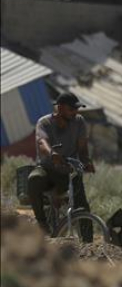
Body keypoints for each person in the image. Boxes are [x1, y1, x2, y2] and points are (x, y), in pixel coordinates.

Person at [28, 92, 95, 236]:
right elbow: (42, 142)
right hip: (48, 170)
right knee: (34, 180)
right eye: (71, 109)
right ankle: (42, 222)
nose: (75, 112)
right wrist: (52, 154)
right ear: (59, 108)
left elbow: (82, 148)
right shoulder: (44, 122)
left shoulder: (79, 122)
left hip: (70, 171)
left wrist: (86, 161)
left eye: (76, 109)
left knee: (82, 207)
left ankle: (88, 245)